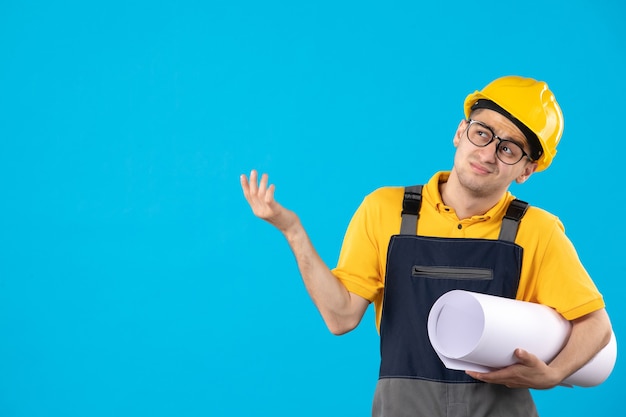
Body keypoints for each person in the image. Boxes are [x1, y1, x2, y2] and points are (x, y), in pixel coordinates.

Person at [240, 75, 613, 417]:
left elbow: (596, 324)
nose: (487, 154)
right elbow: (340, 317)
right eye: (482, 133)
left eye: (509, 149)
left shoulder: (537, 230)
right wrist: (292, 231)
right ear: (460, 132)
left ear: (527, 170)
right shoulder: (385, 209)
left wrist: (554, 374)